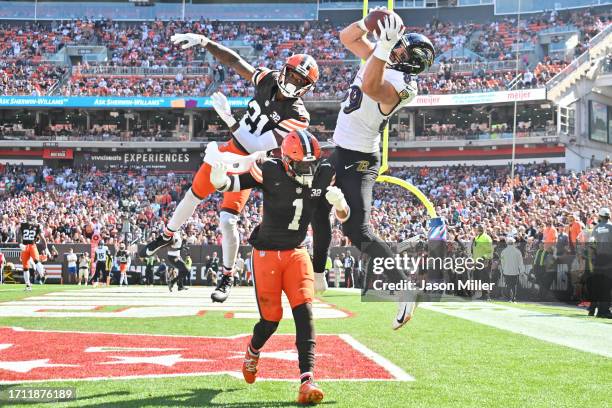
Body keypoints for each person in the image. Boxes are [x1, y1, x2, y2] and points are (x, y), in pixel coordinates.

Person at [142, 31, 319, 306]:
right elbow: (236, 62)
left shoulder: (298, 116)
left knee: (228, 220)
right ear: (285, 70)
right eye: (292, 74)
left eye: (300, 80)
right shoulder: (270, 78)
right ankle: (167, 235)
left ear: (306, 88)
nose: (293, 82)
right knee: (193, 194)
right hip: (228, 150)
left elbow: (256, 145)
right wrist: (205, 42)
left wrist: (227, 118)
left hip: (248, 161)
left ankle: (227, 275)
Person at [310, 10, 433, 330]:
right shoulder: (387, 60)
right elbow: (347, 38)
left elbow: (369, 84)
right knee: (316, 203)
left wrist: (381, 47)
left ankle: (405, 286)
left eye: (401, 51)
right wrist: (370, 22)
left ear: (410, 64)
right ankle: (318, 274)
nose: (395, 49)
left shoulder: (400, 85)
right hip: (341, 149)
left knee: (357, 231)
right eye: (397, 45)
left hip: (361, 158)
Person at [209, 130, 349, 405]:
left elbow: (340, 218)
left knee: (305, 312)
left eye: (312, 165)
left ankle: (307, 379)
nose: (308, 171)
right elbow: (234, 183)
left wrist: (341, 205)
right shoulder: (271, 169)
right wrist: (220, 180)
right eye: (302, 166)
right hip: (266, 254)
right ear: (286, 160)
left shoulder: (322, 173)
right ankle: (253, 349)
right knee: (270, 321)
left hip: (296, 252)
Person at [590, 207, 612, 318]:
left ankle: (594, 310)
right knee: (607, 286)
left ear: (600, 216)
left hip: (598, 260)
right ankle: (604, 311)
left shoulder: (596, 228)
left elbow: (591, 244)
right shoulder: (611, 226)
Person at [18, 213, 44, 291]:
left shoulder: (37, 226)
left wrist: (20, 244)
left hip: (30, 245)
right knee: (25, 267)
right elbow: (19, 235)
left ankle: (42, 274)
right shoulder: (35, 225)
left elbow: (19, 235)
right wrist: (20, 244)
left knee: (35, 261)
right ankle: (28, 284)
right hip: (27, 246)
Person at [472, 225, 494, 300]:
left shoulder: (486, 238)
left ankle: (487, 295)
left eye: (476, 229)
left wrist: (485, 259)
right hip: (478, 261)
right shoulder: (477, 237)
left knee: (485, 278)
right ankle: (483, 294)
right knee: (480, 278)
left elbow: (490, 250)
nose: (474, 230)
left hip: (484, 260)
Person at [500, 237, 524, 302]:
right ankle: (513, 297)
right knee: (514, 285)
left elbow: (502, 262)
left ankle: (509, 297)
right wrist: (522, 271)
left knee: (508, 285)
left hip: (506, 271)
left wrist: (503, 269)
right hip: (515, 271)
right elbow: (520, 262)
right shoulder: (517, 251)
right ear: (513, 243)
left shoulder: (503, 251)